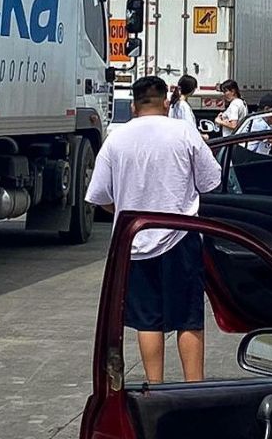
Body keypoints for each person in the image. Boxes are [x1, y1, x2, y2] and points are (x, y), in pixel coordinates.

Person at [86, 76, 222, 384]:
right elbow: (210, 182)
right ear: (166, 102)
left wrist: (125, 207)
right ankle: (194, 388)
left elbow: (100, 198)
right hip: (181, 235)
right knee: (188, 318)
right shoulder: (184, 132)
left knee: (148, 321)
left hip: (134, 240)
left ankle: (155, 389)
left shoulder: (116, 139)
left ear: (133, 106)